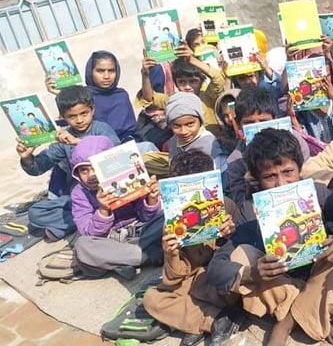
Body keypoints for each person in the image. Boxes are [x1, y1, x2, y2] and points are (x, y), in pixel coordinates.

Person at [207, 128, 333, 346]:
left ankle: (286, 322)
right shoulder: (251, 210)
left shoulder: (318, 194)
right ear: (257, 180)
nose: (281, 183)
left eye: (288, 172)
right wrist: (253, 273)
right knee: (242, 255)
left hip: (320, 273)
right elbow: (216, 268)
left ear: (300, 168)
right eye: (270, 176)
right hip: (282, 284)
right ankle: (316, 312)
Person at [143, 150, 242, 346]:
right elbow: (174, 279)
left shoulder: (227, 206)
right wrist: (171, 254)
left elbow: (242, 252)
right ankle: (214, 320)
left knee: (229, 288)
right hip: (191, 281)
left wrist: (230, 234)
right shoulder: (172, 223)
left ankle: (193, 322)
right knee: (152, 299)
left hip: (216, 280)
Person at [17, 86, 120, 240]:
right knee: (35, 213)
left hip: (110, 191)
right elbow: (39, 167)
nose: (79, 120)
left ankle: (76, 225)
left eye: (83, 113)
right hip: (83, 198)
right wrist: (27, 158)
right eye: (72, 116)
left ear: (92, 110)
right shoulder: (63, 138)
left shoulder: (102, 128)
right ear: (63, 116)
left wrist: (77, 142)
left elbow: (117, 153)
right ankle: (82, 222)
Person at [70, 136, 164, 280]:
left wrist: (151, 199)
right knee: (82, 246)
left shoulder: (128, 178)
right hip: (110, 240)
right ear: (77, 173)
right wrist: (103, 210)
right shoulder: (79, 193)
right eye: (84, 170)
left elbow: (146, 216)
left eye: (96, 169)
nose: (91, 175)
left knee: (168, 215)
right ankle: (145, 257)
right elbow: (88, 232)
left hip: (141, 231)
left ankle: (120, 263)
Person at [225, 86, 311, 206]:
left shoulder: (295, 141)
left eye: (264, 121)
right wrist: (250, 189)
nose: (257, 128)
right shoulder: (235, 161)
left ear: (275, 119)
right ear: (239, 125)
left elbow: (309, 175)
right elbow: (241, 206)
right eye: (249, 123)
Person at [139, 45, 226, 136]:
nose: (187, 87)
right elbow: (149, 98)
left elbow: (218, 79)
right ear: (176, 83)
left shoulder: (208, 95)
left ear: (201, 81)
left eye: (193, 81)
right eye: (182, 82)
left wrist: (192, 60)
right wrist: (145, 75)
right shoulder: (174, 100)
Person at [165, 92, 228, 174]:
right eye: (177, 126)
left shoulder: (210, 144)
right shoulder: (174, 142)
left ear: (200, 121)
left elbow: (217, 176)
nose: (183, 131)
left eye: (190, 124)